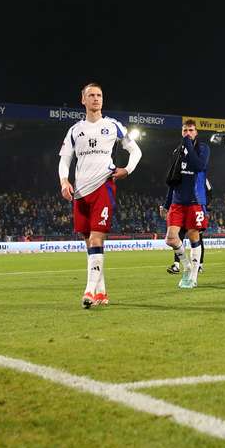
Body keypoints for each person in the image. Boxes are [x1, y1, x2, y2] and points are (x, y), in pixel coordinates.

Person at [58, 82, 142, 308]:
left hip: (103, 187)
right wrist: (64, 180)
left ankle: (88, 291)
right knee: (90, 243)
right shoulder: (75, 130)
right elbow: (65, 159)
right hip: (80, 192)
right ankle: (102, 291)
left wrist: (127, 169)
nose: (96, 99)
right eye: (91, 95)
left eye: (99, 95)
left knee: (96, 239)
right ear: (83, 100)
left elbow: (136, 151)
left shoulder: (113, 126)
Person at [161, 120, 210, 288]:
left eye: (191, 130)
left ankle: (193, 277)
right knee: (171, 239)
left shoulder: (202, 148)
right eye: (185, 131)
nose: (187, 133)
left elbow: (199, 165)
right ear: (181, 132)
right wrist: (166, 203)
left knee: (194, 236)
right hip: (177, 202)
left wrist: (188, 144)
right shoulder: (177, 151)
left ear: (196, 132)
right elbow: (173, 179)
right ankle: (187, 266)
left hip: (195, 200)